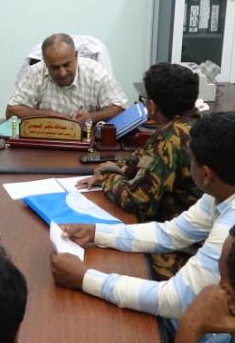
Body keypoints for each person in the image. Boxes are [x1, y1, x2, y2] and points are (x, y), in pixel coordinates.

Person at [50, 112, 235, 320]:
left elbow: (174, 301)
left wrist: (84, 278)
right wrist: (96, 232)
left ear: (205, 174)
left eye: (191, 160)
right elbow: (171, 234)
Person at [77, 62, 201, 223]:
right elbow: (143, 159)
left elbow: (136, 200)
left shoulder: (169, 140)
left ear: (151, 106)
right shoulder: (195, 123)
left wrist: (107, 178)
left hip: (176, 226)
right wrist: (118, 168)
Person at [5, 33, 128, 123]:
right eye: (55, 68)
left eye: (66, 65)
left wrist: (91, 117)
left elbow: (120, 107)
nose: (62, 73)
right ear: (45, 62)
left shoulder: (95, 72)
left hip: (87, 141)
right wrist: (48, 115)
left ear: (76, 56)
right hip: (45, 140)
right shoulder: (35, 73)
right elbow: (11, 111)